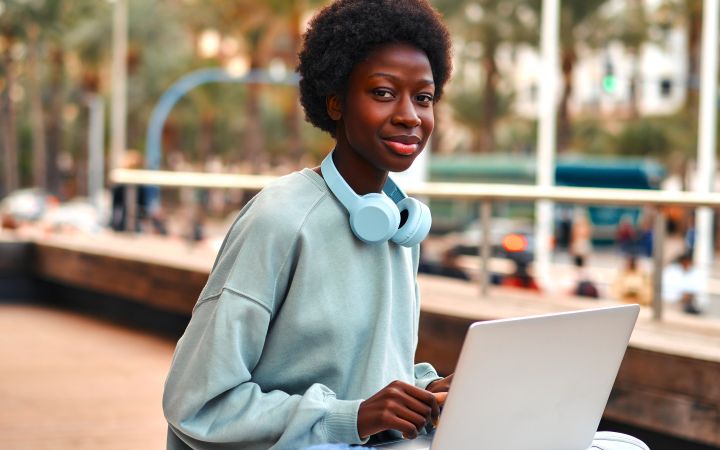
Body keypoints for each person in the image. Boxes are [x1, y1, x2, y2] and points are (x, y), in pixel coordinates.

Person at [162, 2, 454, 449]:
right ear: (335, 102)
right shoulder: (280, 220)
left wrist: (421, 393)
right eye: (382, 93)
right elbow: (195, 403)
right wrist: (350, 417)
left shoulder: (398, 228)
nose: (410, 115)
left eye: (423, 97)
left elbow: (362, 376)